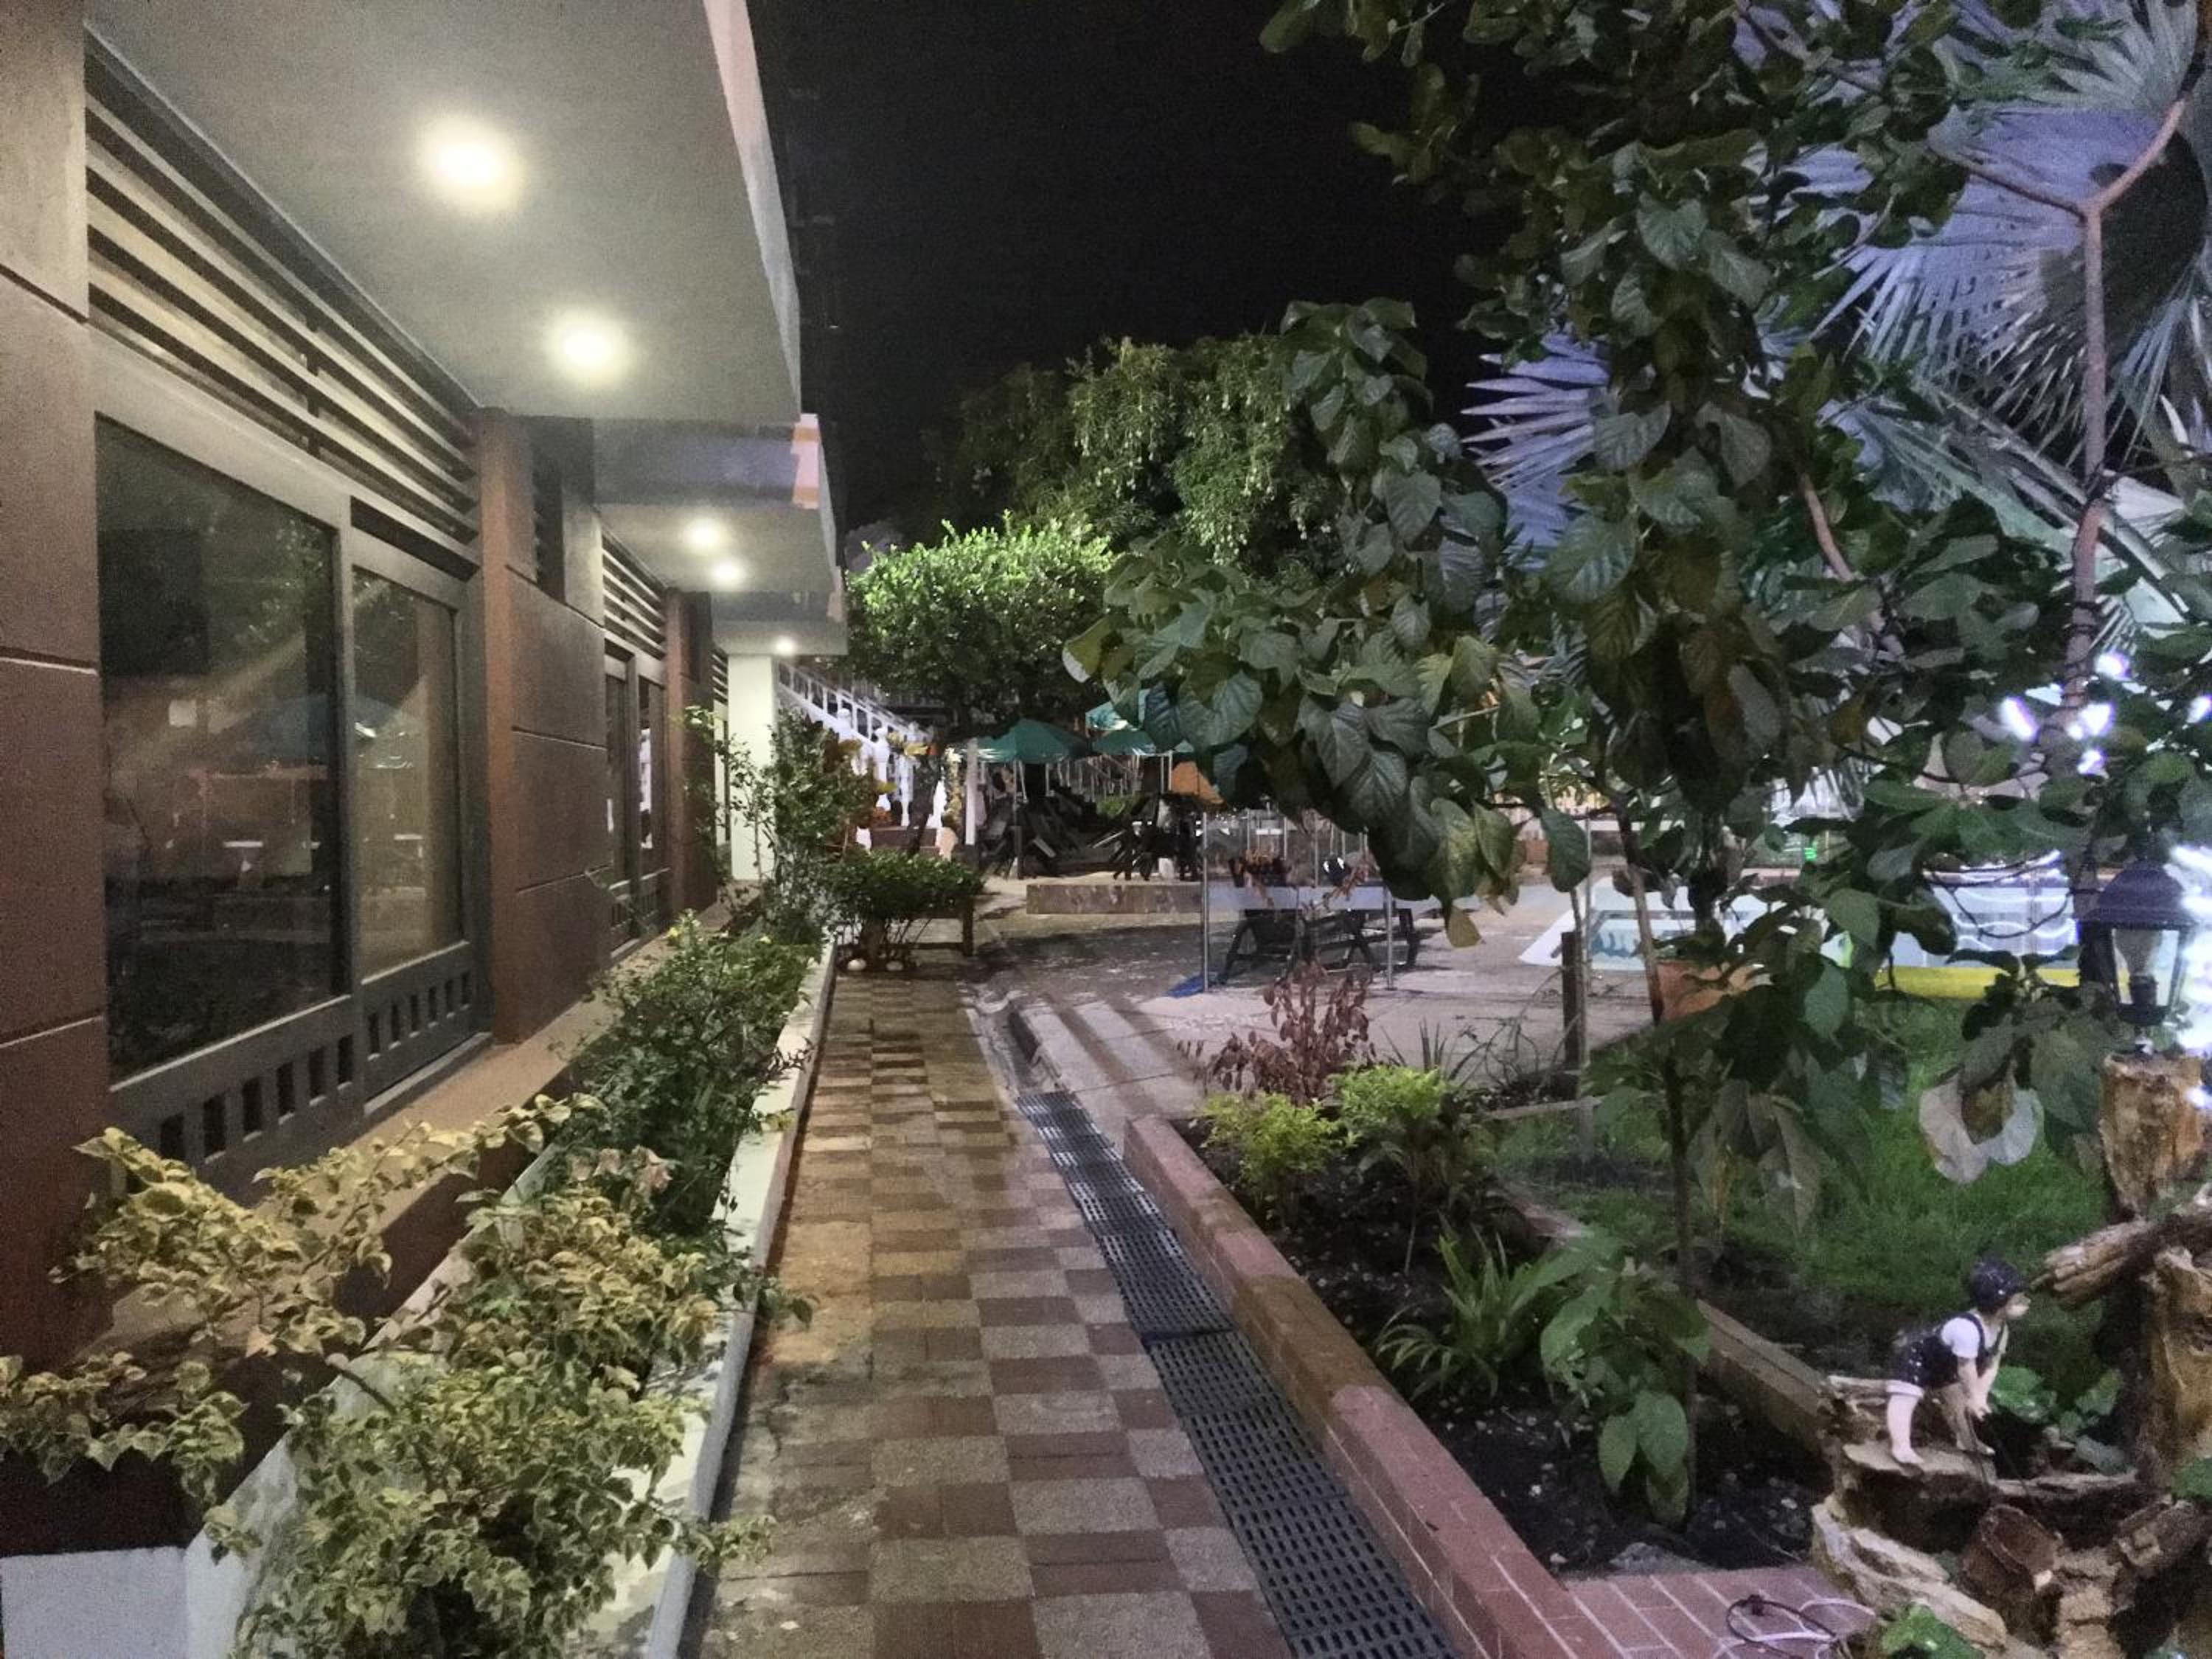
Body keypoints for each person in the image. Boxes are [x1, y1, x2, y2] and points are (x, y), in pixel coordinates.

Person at [1884, 1258, 2031, 1466]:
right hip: (1917, 1356)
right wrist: (1973, 1395)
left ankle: (1967, 1440)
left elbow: (1992, 1365)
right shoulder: (1967, 1328)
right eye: (2017, 1301)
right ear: (1997, 1302)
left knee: (1959, 1401)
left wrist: (1979, 1397)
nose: (2026, 1303)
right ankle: (1901, 1445)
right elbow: (1966, 1367)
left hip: (1945, 1365)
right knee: (1906, 1397)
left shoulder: (2001, 1329)